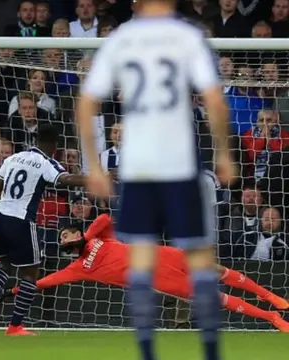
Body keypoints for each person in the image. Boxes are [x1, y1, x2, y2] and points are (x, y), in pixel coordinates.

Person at [76, 0, 234, 359]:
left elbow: (86, 103)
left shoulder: (123, 38)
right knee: (198, 259)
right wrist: (224, 152)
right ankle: (211, 352)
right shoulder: (187, 36)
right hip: (179, 163)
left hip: (139, 166)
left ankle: (148, 353)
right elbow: (214, 99)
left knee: (143, 260)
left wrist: (94, 166)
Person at [0, 214, 289, 332]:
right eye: (61, 238)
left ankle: (268, 295)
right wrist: (14, 292)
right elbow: (44, 282)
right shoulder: (78, 268)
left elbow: (104, 218)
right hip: (156, 278)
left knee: (216, 269)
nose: (64, 239)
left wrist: (86, 236)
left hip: (158, 254)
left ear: (77, 232)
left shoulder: (101, 237)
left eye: (68, 233)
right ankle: (271, 318)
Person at [0, 124, 85, 336]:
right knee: (30, 274)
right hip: (21, 220)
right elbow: (66, 180)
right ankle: (15, 326)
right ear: (55, 146)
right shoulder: (45, 162)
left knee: (2, 267)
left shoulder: (13, 158)